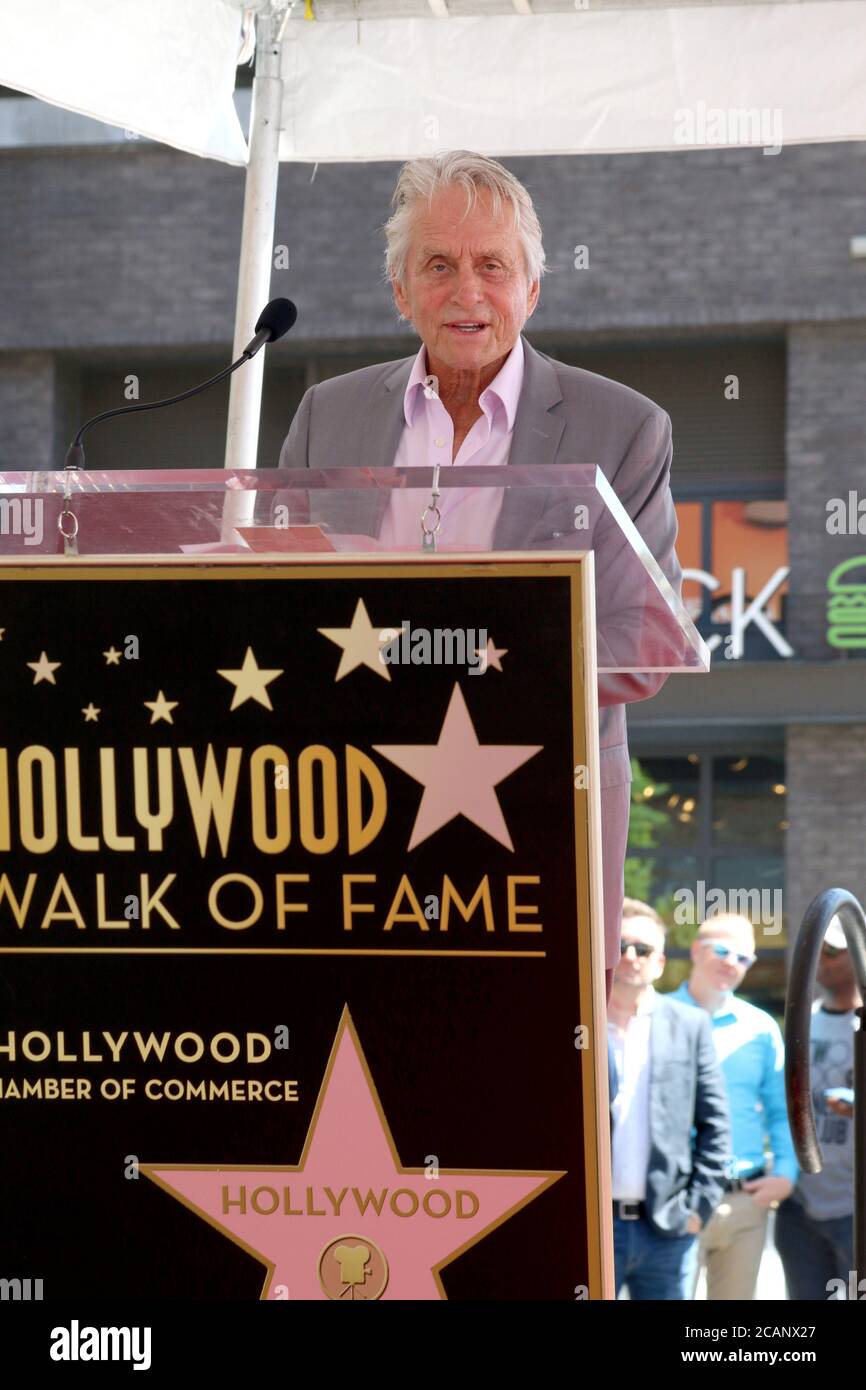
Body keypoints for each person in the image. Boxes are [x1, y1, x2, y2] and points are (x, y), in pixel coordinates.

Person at [278, 149, 685, 1001]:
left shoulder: (623, 429)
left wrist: (449, 659)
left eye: (492, 266)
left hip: (537, 817)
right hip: (349, 818)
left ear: (531, 289)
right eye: (438, 265)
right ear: (400, 290)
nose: (467, 292)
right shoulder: (328, 416)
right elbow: (275, 608)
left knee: (526, 1097)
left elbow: (641, 640)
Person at [669, 913, 798, 1300]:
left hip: (744, 1202)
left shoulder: (760, 1028)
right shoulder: (657, 1016)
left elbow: (782, 1108)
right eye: (722, 951)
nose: (732, 963)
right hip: (677, 1198)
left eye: (744, 958)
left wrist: (787, 1173)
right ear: (695, 950)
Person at [608, 898, 730, 1299]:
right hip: (592, 1227)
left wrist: (698, 1209)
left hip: (666, 1229)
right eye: (620, 945)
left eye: (642, 949)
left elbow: (716, 1124)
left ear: (659, 963)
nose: (630, 956)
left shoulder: (690, 1026)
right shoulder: (577, 1023)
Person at [775, 916, 860, 1299]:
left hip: (854, 1206)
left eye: (831, 950)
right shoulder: (802, 1023)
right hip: (802, 1205)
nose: (820, 961)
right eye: (815, 951)